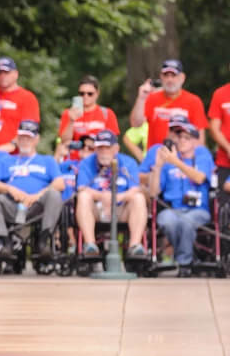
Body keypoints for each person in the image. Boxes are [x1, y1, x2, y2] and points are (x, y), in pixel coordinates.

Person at [0, 120, 65, 260]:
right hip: (12, 204)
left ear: (36, 139)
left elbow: (60, 183)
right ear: (17, 139)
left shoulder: (47, 160)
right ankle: (3, 241)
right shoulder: (6, 160)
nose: (25, 141)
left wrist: (38, 195)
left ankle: (44, 240)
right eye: (22, 137)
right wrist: (9, 188)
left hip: (37, 206)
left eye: (29, 137)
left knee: (54, 194)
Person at [148, 122, 213, 276]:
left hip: (198, 210)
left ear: (196, 142)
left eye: (187, 138)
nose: (182, 140)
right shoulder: (166, 165)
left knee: (186, 222)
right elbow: (153, 192)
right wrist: (157, 167)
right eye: (179, 137)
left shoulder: (202, 158)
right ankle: (186, 258)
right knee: (166, 221)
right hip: (173, 209)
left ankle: (184, 262)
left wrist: (176, 161)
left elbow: (199, 178)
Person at [76, 130, 147, 260]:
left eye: (107, 148)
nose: (103, 151)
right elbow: (82, 188)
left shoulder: (128, 162)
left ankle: (135, 246)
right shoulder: (86, 163)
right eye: (99, 148)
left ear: (116, 149)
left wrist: (117, 198)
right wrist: (102, 196)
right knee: (83, 197)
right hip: (97, 209)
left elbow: (135, 189)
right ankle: (90, 245)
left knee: (139, 198)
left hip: (121, 208)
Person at [130, 59, 207, 148]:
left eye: (173, 75)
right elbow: (135, 124)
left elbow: (200, 137)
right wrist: (141, 98)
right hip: (156, 156)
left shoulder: (194, 101)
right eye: (166, 75)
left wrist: (194, 158)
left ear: (182, 77)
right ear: (161, 77)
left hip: (182, 156)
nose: (169, 79)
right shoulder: (151, 98)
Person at [58, 75, 120, 159]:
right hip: (73, 162)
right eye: (82, 93)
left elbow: (113, 144)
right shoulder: (68, 113)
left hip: (98, 162)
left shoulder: (107, 114)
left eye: (90, 94)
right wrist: (71, 121)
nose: (85, 96)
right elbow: (64, 141)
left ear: (97, 93)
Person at [208, 64, 230, 203]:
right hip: (225, 161)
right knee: (224, 207)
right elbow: (214, 128)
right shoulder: (220, 93)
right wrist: (228, 148)